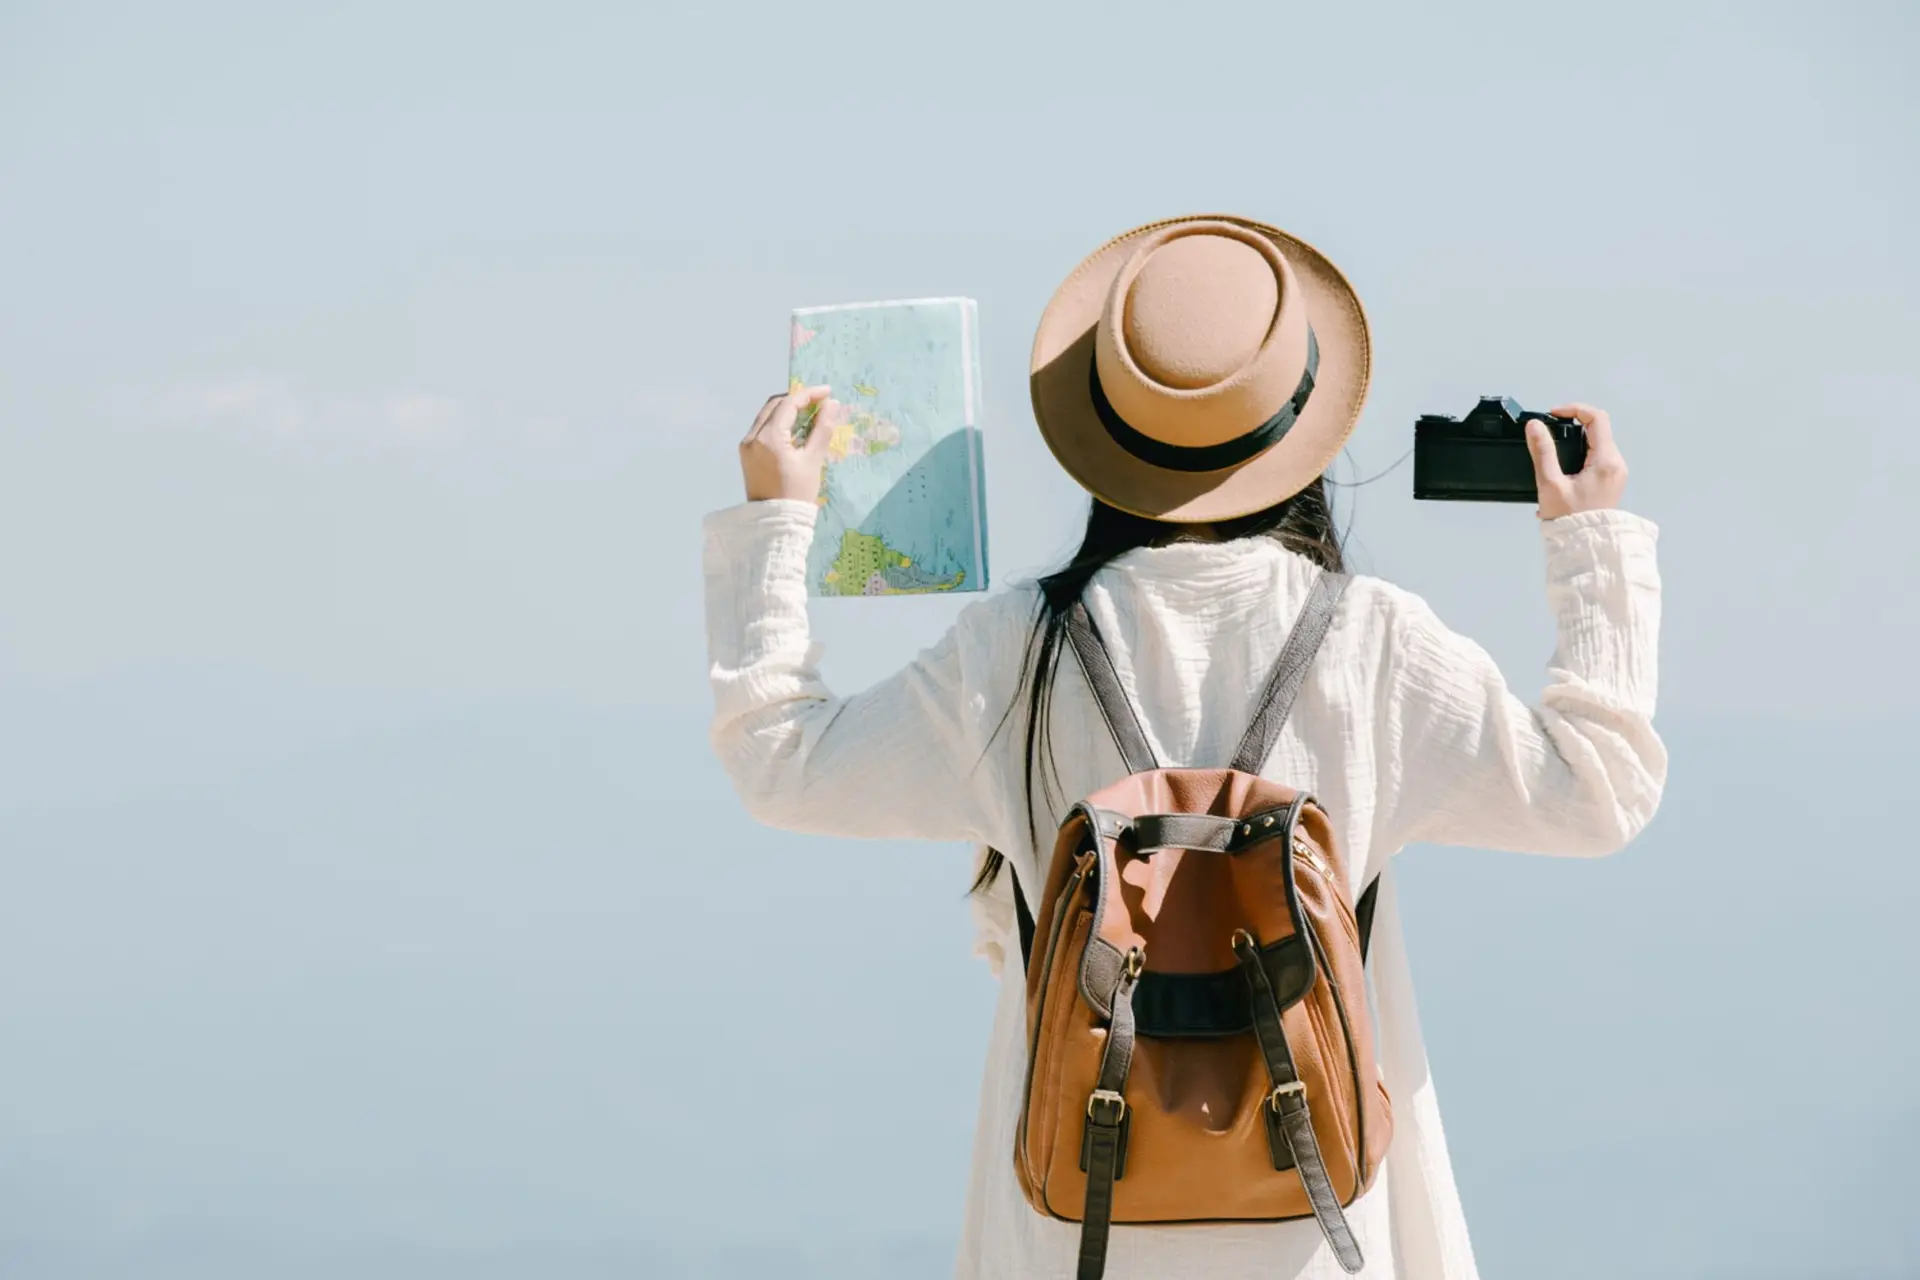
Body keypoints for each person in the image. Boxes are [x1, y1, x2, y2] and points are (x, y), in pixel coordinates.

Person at [702, 215, 1664, 1279]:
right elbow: (1597, 794)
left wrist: (776, 526)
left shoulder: (1017, 649)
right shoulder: (1375, 642)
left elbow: (782, 760)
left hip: (1079, 1234)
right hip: (1324, 1231)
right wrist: (1593, 547)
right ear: (1300, 422)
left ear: (1104, 430)